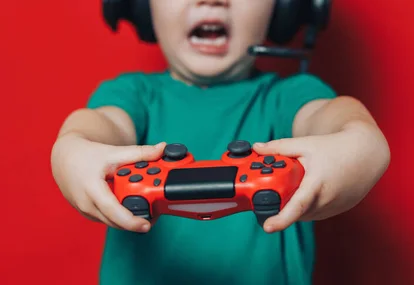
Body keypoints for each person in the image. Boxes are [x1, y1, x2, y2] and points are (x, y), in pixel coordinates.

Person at [50, 0, 390, 284]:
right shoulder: (132, 95)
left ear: (285, 8)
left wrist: (360, 139)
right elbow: (101, 123)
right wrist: (74, 146)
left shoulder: (288, 97)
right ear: (141, 6)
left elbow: (332, 115)